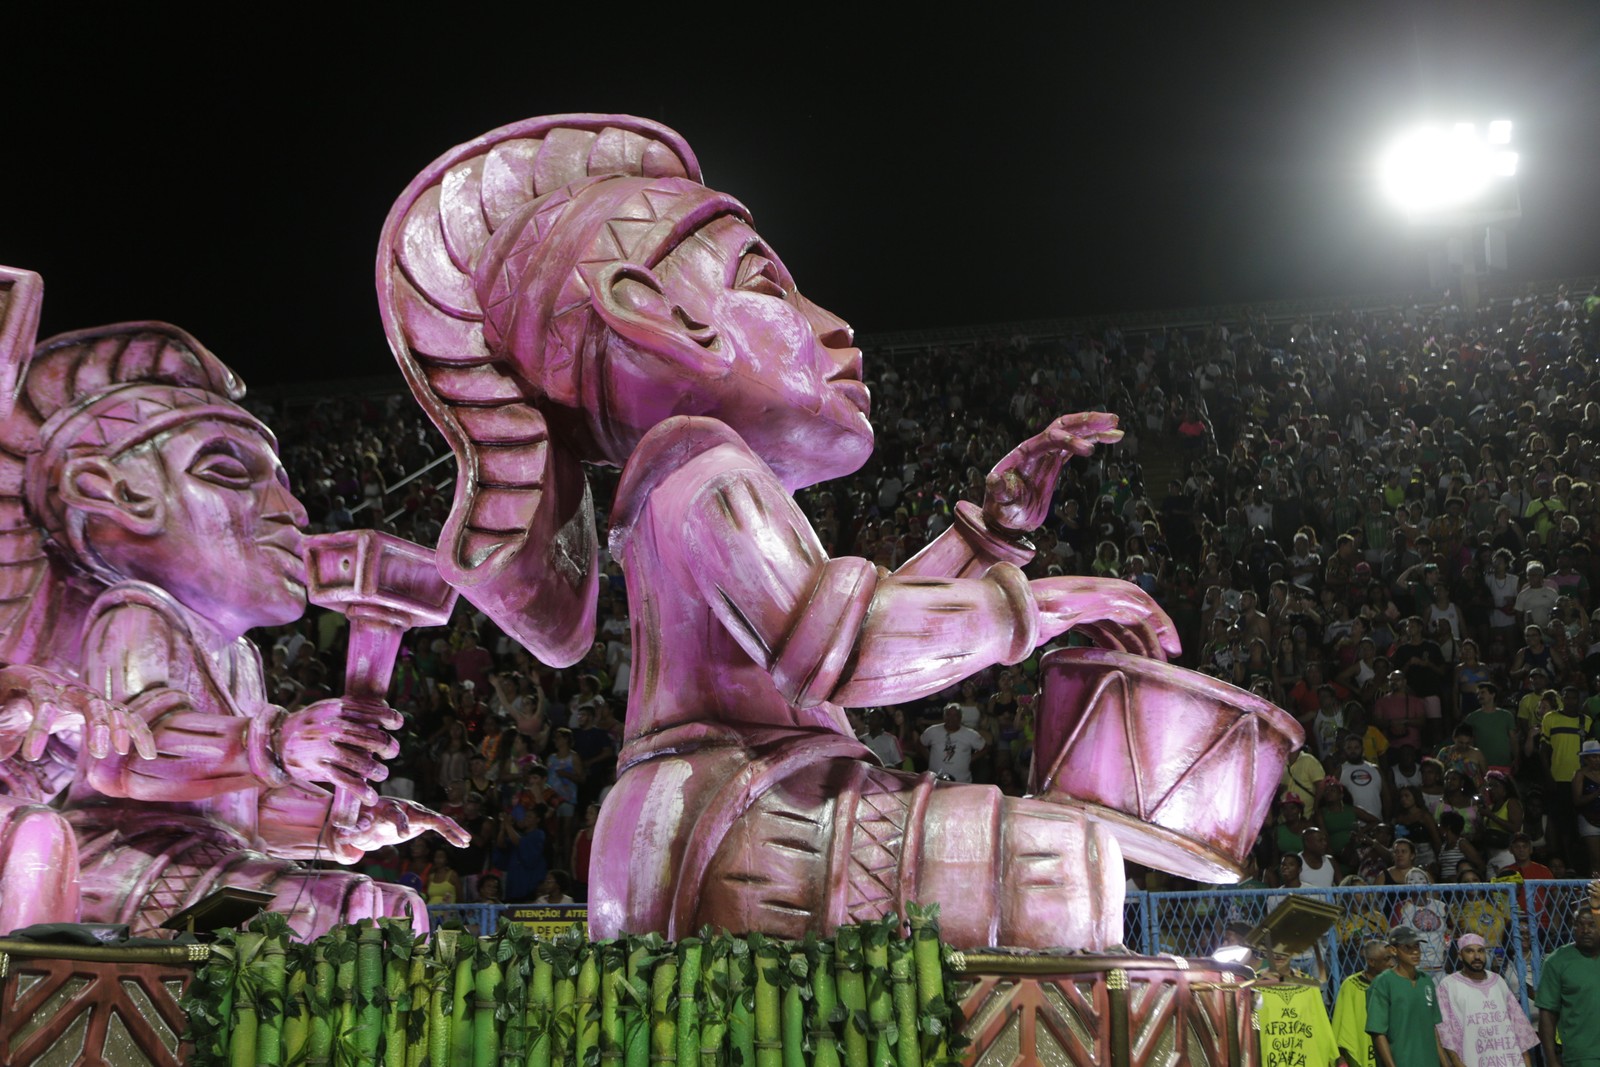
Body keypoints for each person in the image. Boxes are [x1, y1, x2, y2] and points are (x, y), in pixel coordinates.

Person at [1436, 933, 1537, 1067]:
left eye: (1480, 951)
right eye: (1470, 951)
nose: (1477, 956)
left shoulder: (1498, 981)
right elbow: (1445, 1031)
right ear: (1460, 956)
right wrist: (1457, 1063)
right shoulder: (1448, 985)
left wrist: (1527, 1062)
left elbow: (1518, 1026)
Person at [1534, 886, 1600, 1067]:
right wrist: (1552, 1061)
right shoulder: (1557, 961)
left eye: (1592, 924)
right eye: (1579, 924)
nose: (1585, 930)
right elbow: (1547, 1015)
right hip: (1581, 1057)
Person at [1365, 924, 1446, 1067]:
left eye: (1417, 946)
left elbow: (1431, 1027)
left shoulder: (1426, 981)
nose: (1415, 952)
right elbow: (1378, 1033)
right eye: (1407, 948)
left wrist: (1446, 1064)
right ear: (1393, 950)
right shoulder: (1383, 983)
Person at [1333, 939, 1394, 1067]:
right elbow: (1342, 1026)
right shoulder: (1351, 986)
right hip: (1364, 1050)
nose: (1392, 963)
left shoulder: (1396, 982)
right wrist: (1341, 1059)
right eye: (1386, 959)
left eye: (1393, 958)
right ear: (1371, 962)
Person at [920, 703, 987, 783]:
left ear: (960, 717)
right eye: (948, 715)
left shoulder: (970, 734)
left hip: (961, 782)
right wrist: (928, 757)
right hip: (935, 782)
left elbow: (985, 747)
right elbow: (920, 743)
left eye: (955, 715)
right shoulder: (932, 731)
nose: (951, 718)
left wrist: (970, 758)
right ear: (944, 716)